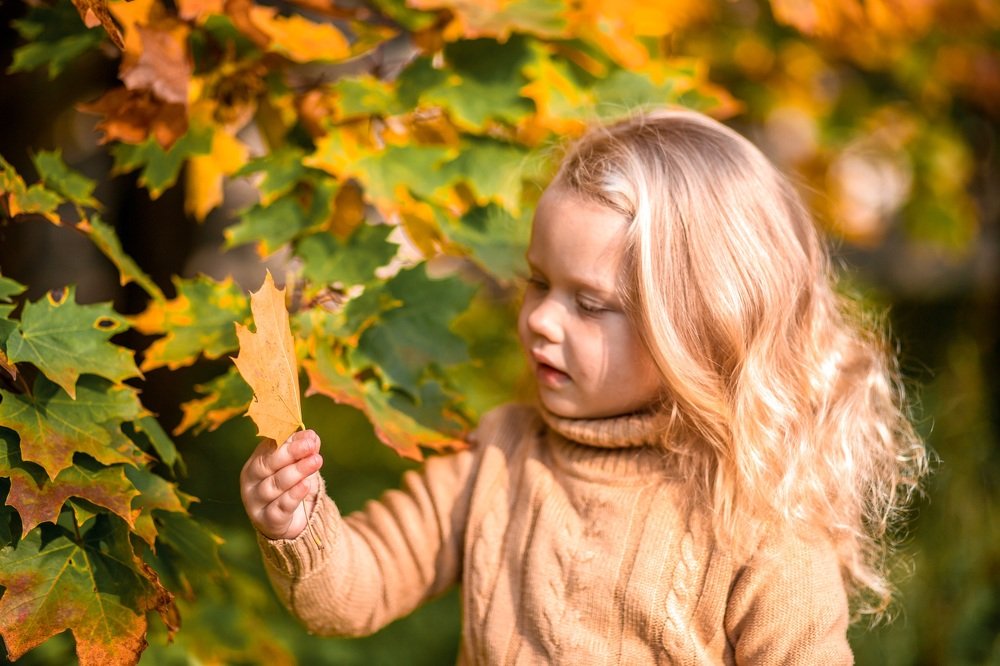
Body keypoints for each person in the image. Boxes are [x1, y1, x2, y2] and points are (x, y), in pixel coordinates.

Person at [240, 108, 928, 664]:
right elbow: (355, 590)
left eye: (590, 304)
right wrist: (299, 523)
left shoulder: (760, 519)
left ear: (702, 326)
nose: (540, 318)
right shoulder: (500, 454)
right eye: (538, 282)